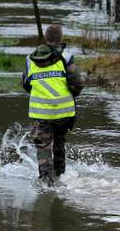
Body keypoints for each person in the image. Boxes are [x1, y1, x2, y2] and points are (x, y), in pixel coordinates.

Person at [21, 25, 83, 186]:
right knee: (60, 140)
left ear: (46, 38)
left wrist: (40, 92)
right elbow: (77, 83)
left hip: (40, 113)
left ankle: (46, 183)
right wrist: (70, 95)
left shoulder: (30, 59)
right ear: (61, 39)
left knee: (43, 146)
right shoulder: (66, 57)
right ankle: (60, 176)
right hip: (64, 113)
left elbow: (26, 83)